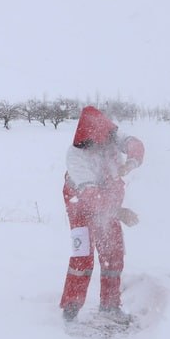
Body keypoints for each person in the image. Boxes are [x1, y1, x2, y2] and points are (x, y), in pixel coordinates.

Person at [59, 106, 145, 324]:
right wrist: (118, 212)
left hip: (107, 200)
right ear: (90, 140)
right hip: (80, 204)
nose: (106, 147)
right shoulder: (76, 156)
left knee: (113, 251)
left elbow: (136, 145)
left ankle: (110, 306)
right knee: (83, 256)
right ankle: (71, 308)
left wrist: (131, 163)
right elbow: (90, 198)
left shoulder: (111, 137)